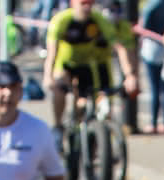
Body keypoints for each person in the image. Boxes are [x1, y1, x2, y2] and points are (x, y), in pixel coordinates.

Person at [45, 0, 137, 130]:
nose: (87, 7)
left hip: (87, 65)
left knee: (88, 101)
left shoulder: (99, 20)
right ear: (73, 4)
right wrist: (48, 76)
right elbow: (51, 53)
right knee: (59, 90)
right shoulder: (61, 21)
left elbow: (119, 48)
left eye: (90, 3)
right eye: (83, 3)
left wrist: (130, 75)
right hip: (65, 64)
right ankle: (58, 126)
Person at [137, 0, 164, 133]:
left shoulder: (151, 6)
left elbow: (144, 27)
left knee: (155, 88)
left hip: (152, 49)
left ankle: (153, 123)